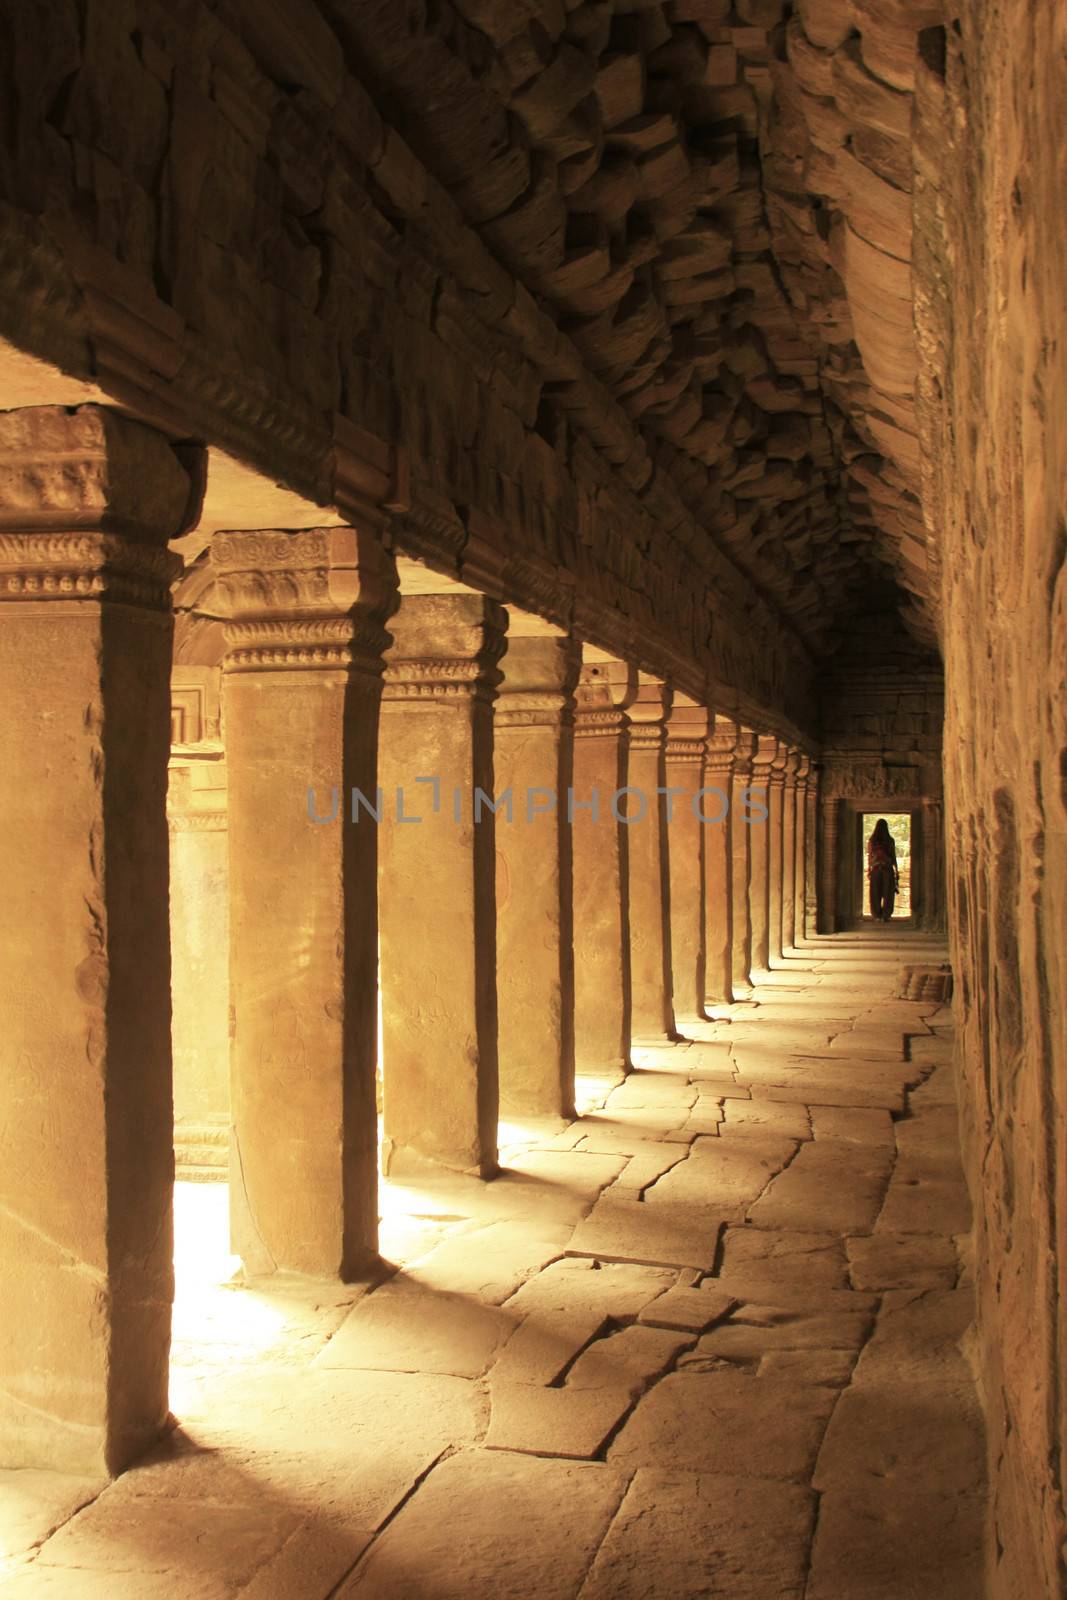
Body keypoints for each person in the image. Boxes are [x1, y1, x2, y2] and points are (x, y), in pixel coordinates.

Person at [867, 818, 899, 921]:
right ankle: (886, 915)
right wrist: (896, 870)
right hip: (887, 869)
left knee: (875, 893)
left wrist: (869, 869)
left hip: (876, 869)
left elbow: (870, 857)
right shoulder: (890, 840)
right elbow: (893, 856)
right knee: (888, 893)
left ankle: (877, 915)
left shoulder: (872, 840)